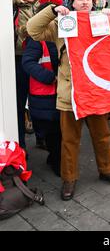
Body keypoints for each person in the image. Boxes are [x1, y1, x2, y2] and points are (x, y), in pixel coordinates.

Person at [27, 0, 110, 201]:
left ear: (93, 2)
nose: (84, 1)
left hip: (95, 91)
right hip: (70, 93)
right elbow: (32, 30)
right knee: (69, 140)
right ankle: (69, 178)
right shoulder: (61, 23)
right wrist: (53, 10)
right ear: (72, 2)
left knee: (102, 136)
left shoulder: (102, 20)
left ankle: (108, 169)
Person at [22, 27, 61, 176]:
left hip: (59, 93)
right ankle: (56, 162)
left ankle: (55, 159)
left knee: (59, 131)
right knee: (54, 132)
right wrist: (50, 77)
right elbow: (27, 62)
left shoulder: (63, 34)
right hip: (46, 94)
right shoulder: (37, 39)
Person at [13, 0, 40, 150]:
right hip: (19, 59)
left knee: (39, 101)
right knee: (20, 103)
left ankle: (42, 137)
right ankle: (21, 145)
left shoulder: (40, 8)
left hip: (38, 60)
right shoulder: (12, 7)